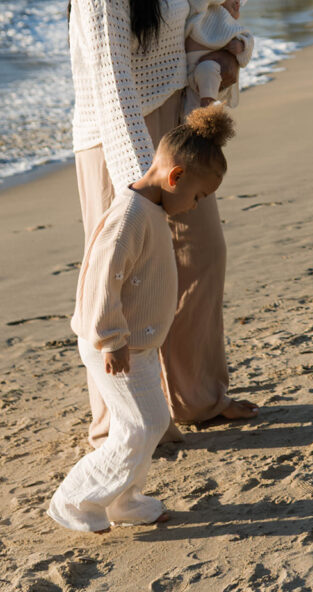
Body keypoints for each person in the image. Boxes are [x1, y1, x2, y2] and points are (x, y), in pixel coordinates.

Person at [68, 0, 257, 445]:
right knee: (124, 277)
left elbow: (174, 43)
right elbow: (110, 79)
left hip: (171, 124)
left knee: (201, 256)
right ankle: (121, 425)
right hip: (117, 138)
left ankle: (196, 399)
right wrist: (136, 185)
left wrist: (220, 64)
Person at [49, 105, 235, 532]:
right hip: (115, 345)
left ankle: (124, 500)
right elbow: (101, 280)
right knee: (143, 424)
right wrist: (111, 338)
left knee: (145, 426)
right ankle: (74, 500)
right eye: (198, 197)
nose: (194, 206)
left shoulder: (154, 209)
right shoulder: (130, 217)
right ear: (175, 178)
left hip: (139, 344)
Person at [183, 0, 254, 110]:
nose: (237, 2)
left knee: (207, 69)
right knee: (188, 113)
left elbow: (249, 39)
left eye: (239, 2)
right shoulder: (203, 8)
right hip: (191, 71)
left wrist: (241, 45)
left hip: (216, 72)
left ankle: (207, 108)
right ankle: (196, 122)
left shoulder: (232, 25)